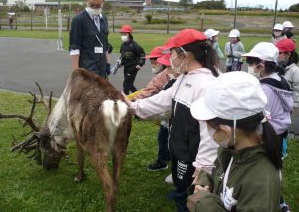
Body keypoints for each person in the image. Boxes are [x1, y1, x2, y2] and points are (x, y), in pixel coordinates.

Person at [123, 29, 219, 212]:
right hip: (180, 150)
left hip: (193, 157)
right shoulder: (183, 78)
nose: (170, 58)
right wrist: (132, 106)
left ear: (186, 55)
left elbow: (210, 133)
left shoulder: (207, 85)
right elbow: (163, 101)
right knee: (181, 191)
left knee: (188, 199)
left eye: (172, 53)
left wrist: (204, 167)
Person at [187, 71, 282, 212]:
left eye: (207, 123)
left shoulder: (259, 182)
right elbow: (218, 173)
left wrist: (204, 203)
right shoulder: (230, 149)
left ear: (225, 130)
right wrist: (205, 180)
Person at [244, 42, 293, 212]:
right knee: (275, 169)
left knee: (265, 172)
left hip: (268, 136)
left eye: (251, 61)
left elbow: (262, 119)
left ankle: (274, 203)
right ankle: (280, 202)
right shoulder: (279, 80)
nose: (249, 65)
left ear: (262, 63)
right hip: (278, 133)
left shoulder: (265, 88)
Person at [69, 0, 109, 77]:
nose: (95, 8)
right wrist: (76, 74)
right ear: (86, 1)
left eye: (98, 5)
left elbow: (105, 44)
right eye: (92, 5)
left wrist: (108, 63)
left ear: (103, 2)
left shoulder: (104, 19)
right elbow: (74, 49)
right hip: (87, 70)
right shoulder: (78, 20)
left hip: (101, 69)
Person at [276, 39, 299, 136]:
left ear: (288, 54)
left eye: (279, 52)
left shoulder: (295, 71)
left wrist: (294, 106)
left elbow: (297, 90)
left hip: (286, 108)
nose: (277, 55)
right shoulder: (276, 66)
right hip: (275, 106)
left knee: (282, 132)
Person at [119, 24, 146, 95]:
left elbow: (142, 54)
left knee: (126, 84)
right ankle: (140, 96)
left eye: (125, 34)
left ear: (129, 34)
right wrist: (121, 63)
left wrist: (140, 64)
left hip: (133, 68)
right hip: (126, 68)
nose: (123, 35)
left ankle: (126, 100)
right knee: (130, 85)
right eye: (122, 34)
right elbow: (123, 57)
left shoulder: (134, 45)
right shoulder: (123, 45)